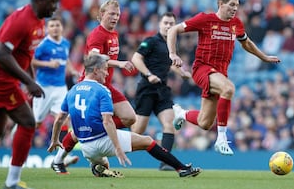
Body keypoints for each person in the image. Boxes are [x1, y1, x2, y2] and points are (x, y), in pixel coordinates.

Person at [47, 53, 201, 178]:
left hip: (86, 147)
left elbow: (60, 118)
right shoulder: (102, 90)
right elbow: (108, 122)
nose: (107, 73)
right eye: (105, 69)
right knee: (147, 141)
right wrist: (118, 148)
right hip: (102, 141)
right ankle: (181, 169)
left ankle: (83, 165)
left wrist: (55, 139)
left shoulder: (73, 89)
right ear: (95, 70)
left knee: (102, 163)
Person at [167, 0, 281, 156]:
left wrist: (264, 57)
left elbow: (246, 43)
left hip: (219, 74)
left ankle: (181, 113)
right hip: (202, 69)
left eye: (237, 6)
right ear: (221, 4)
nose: (235, 8)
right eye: (232, 5)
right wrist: (172, 53)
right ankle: (221, 139)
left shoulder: (236, 24)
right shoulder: (205, 19)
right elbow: (173, 30)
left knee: (205, 122)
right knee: (228, 89)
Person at [0, 0, 60, 189]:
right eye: (52, 2)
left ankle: (12, 182)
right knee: (27, 122)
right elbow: (0, 54)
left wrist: (32, 80)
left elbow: (26, 54)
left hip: (1, 76)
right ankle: (12, 183)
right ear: (39, 0)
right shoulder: (21, 20)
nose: (55, 7)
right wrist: (28, 82)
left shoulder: (39, 22)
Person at [51, 0, 137, 173]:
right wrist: (119, 64)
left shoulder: (114, 34)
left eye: (117, 14)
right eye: (111, 14)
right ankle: (58, 160)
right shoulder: (97, 35)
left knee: (129, 118)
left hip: (105, 85)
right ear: (101, 15)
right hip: (90, 86)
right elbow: (93, 59)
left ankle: (97, 130)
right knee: (80, 130)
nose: (115, 17)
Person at [130, 12, 191, 171]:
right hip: (147, 89)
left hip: (162, 90)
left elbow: (169, 64)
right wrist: (149, 75)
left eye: (172, 23)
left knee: (169, 124)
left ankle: (166, 163)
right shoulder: (150, 41)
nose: (169, 26)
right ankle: (110, 144)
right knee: (137, 131)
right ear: (160, 24)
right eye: (166, 23)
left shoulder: (171, 45)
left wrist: (183, 73)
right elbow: (136, 59)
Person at [31, 17, 79, 171]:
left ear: (62, 27)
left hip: (60, 88)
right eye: (51, 25)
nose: (55, 28)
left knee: (65, 118)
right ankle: (15, 136)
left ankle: (62, 156)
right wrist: (48, 64)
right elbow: (32, 62)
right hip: (43, 88)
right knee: (36, 123)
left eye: (57, 25)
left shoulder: (65, 43)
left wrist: (71, 70)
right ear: (47, 29)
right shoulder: (43, 45)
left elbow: (66, 59)